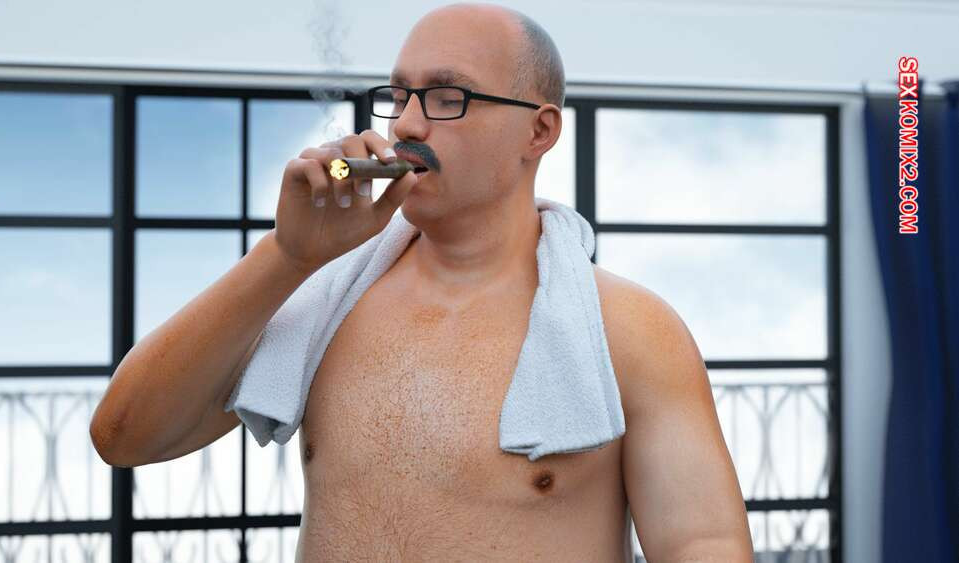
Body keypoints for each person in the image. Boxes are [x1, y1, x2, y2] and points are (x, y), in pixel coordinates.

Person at [91, 2, 754, 560]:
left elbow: (702, 544)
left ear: (539, 129)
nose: (406, 124)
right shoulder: (326, 301)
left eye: (446, 97)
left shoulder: (629, 328)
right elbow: (124, 437)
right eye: (399, 95)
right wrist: (287, 256)